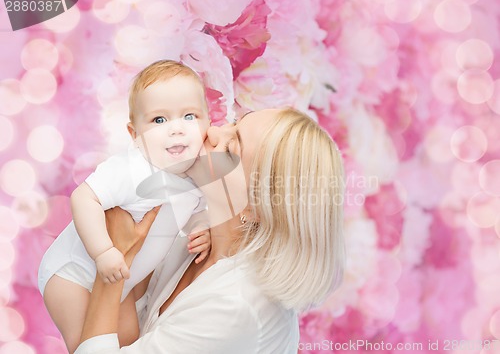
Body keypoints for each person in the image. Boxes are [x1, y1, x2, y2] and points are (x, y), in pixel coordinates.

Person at [74, 107, 345, 353]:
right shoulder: (197, 237)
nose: (213, 131)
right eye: (235, 122)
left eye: (231, 148)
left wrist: (114, 263)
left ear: (256, 208)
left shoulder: (236, 307)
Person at [38, 60, 212, 353]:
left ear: (207, 121)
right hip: (73, 276)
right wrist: (103, 251)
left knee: (130, 342)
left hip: (123, 281)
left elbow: (196, 210)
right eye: (159, 120)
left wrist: (203, 229)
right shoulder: (132, 169)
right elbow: (84, 198)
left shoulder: (197, 172)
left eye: (189, 116)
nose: (177, 129)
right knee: (87, 342)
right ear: (135, 134)